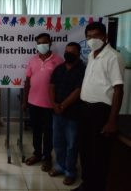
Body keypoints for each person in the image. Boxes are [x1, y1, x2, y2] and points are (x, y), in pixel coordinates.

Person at [71, 22, 124, 191]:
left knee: (98, 154)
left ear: (105, 37)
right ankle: (87, 185)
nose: (92, 40)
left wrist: (112, 121)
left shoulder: (113, 57)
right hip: (85, 109)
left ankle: (96, 187)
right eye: (88, 36)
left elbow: (118, 90)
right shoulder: (92, 56)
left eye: (96, 36)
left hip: (100, 112)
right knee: (85, 150)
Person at [23, 33, 63, 172]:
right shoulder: (33, 60)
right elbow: (27, 81)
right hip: (33, 103)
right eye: (39, 43)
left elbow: (62, 83)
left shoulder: (58, 60)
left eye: (44, 42)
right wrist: (24, 101)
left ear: (50, 43)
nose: (42, 45)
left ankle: (47, 158)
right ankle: (37, 154)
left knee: (49, 132)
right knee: (36, 131)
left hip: (50, 104)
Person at [49, 42, 85, 185]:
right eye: (67, 51)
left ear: (78, 53)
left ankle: (70, 171)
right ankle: (59, 166)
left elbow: (78, 90)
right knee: (58, 142)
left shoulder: (83, 70)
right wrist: (54, 104)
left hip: (73, 114)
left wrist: (63, 105)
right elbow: (51, 86)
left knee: (71, 144)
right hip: (57, 112)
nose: (68, 53)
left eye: (72, 51)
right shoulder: (59, 69)